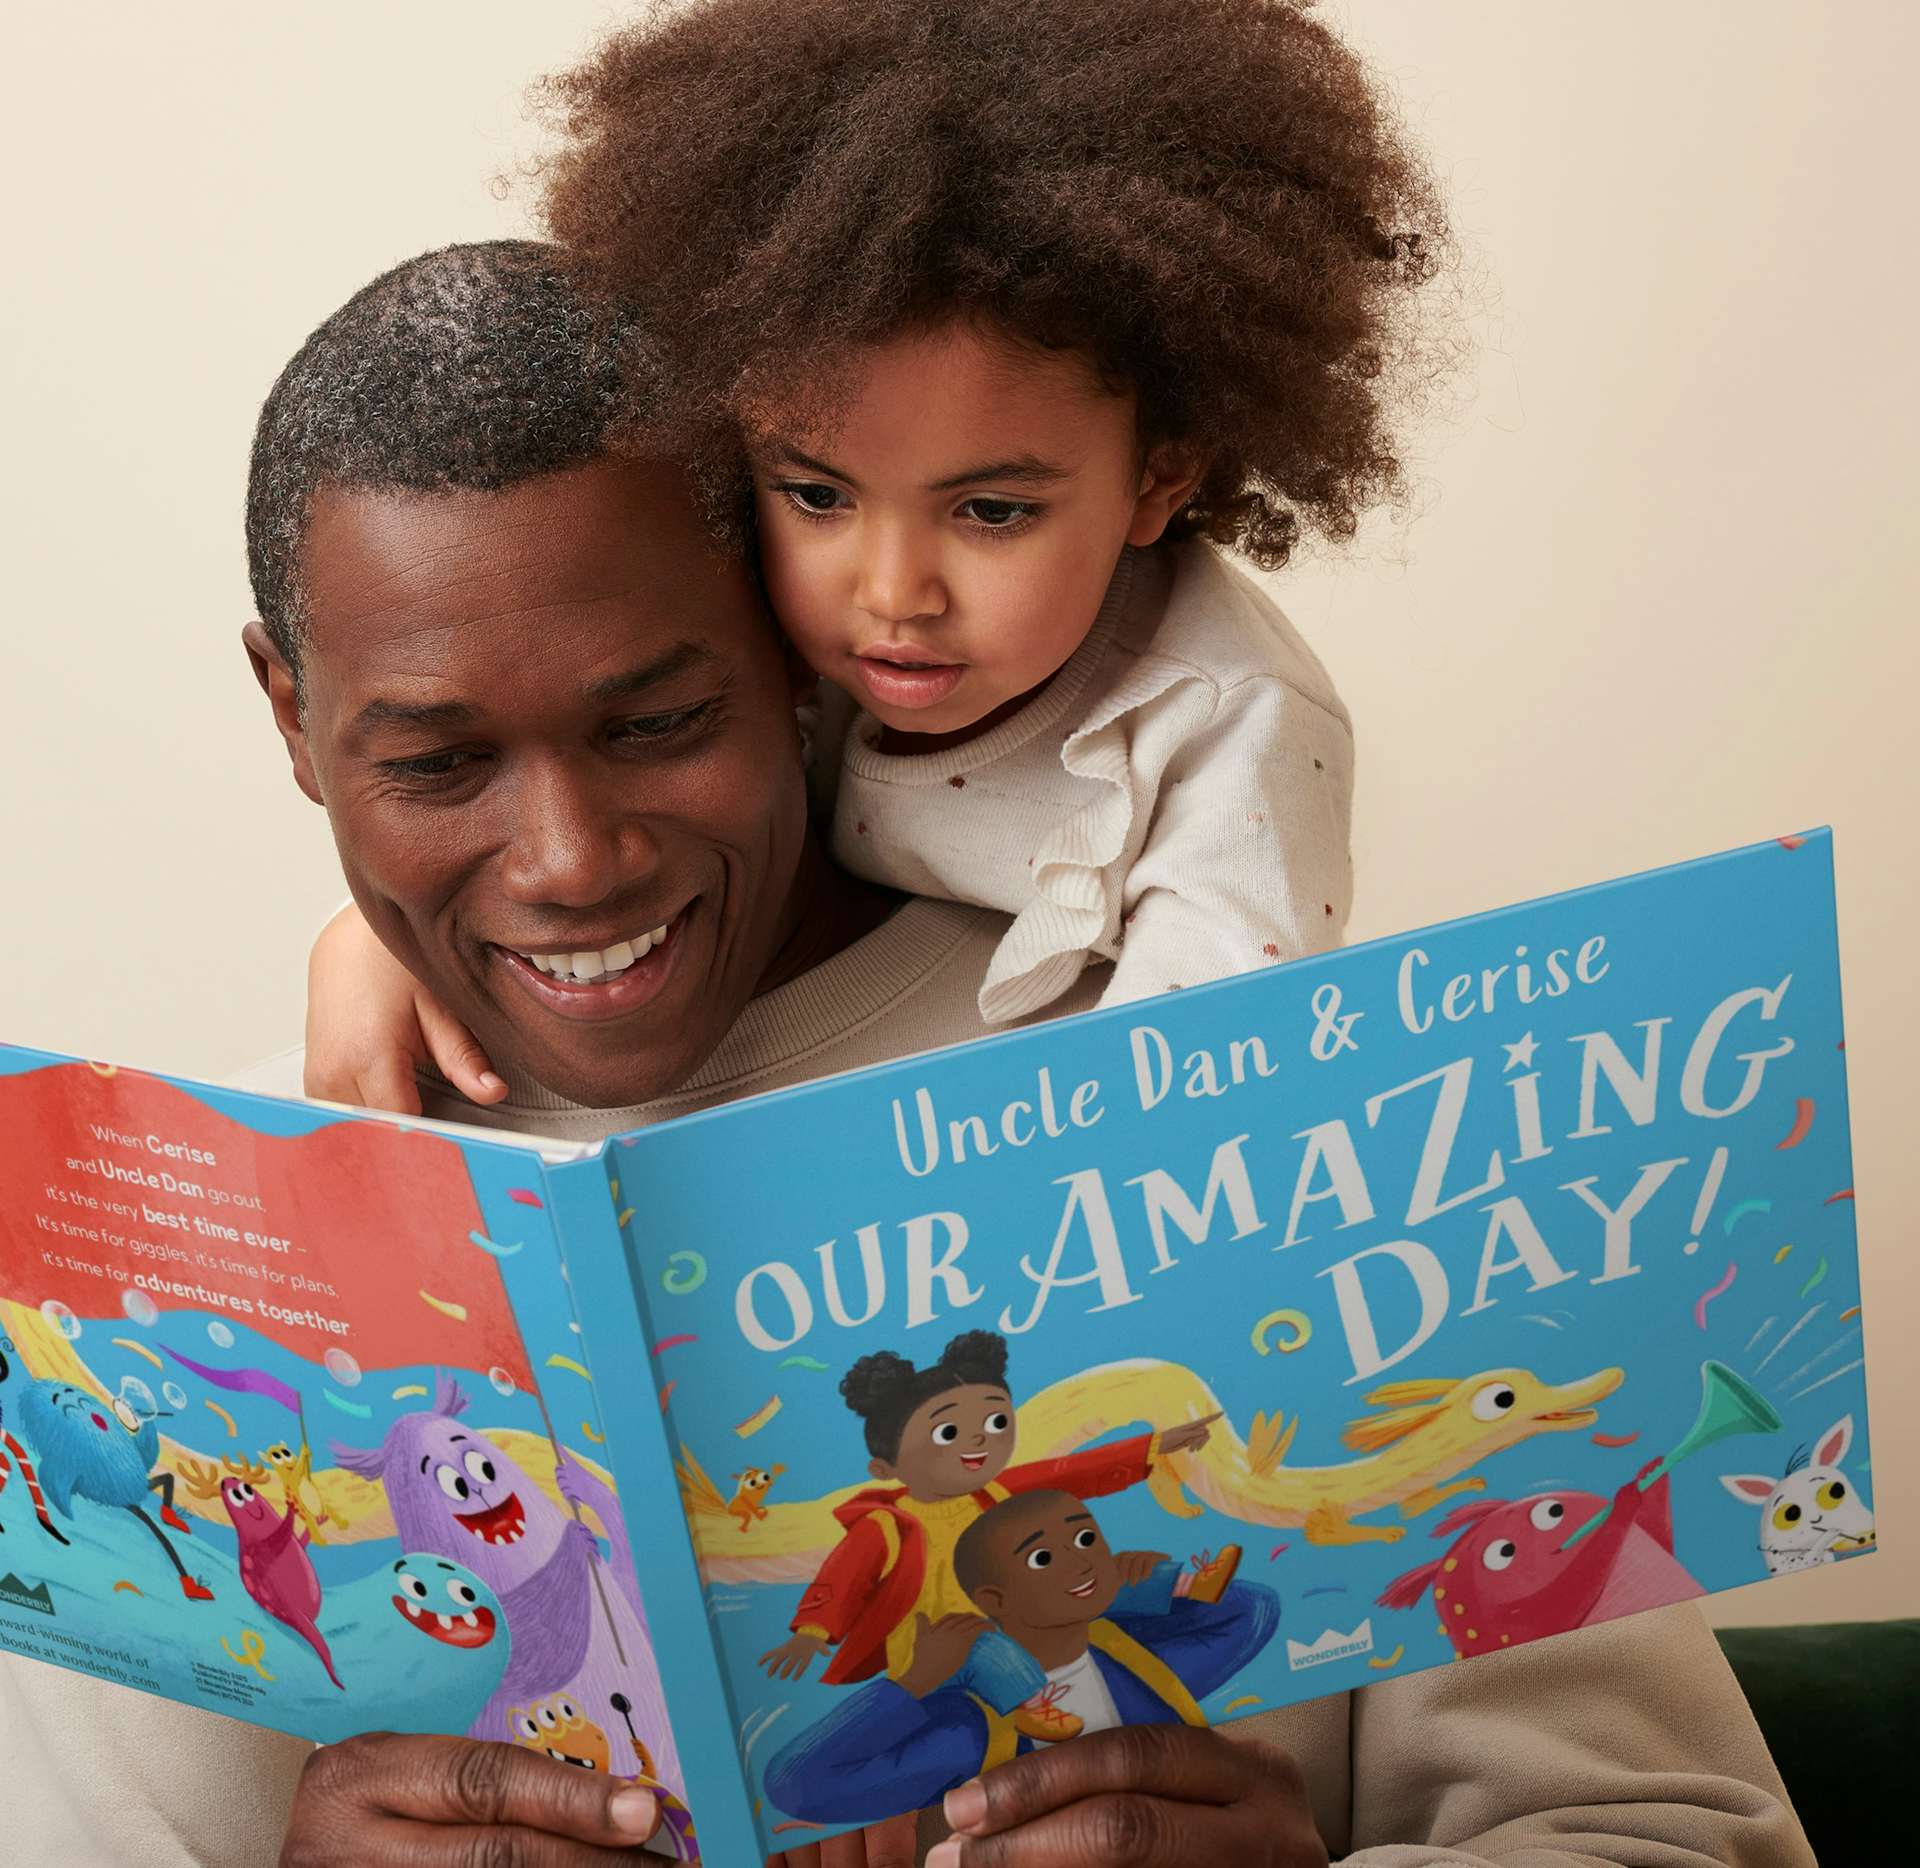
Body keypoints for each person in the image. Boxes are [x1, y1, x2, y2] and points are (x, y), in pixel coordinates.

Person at [1, 243, 1812, 1868]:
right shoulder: (157, 1286)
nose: (569, 861)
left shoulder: (1268, 1079)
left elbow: (1680, 1832)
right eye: (434, 762)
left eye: (663, 719)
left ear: (802, 657)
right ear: (290, 714)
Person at [300, 0, 1453, 1108]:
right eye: (818, 493)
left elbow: (1199, 1093)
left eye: (993, 512)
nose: (890, 595)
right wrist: (372, 941)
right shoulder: (782, 598)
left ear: (1160, 474)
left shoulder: (1230, 726)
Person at [758, 1331, 1231, 1745]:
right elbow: (844, 1577)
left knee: (1086, 1576)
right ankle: (1031, 1703)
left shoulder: (997, 1491)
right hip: (942, 1641)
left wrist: (1153, 1446)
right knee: (987, 1648)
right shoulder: (886, 1524)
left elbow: (1071, 1473)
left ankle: (1186, 1585)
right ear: (885, 1469)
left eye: (996, 1422)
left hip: (1013, 1608)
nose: (979, 1442)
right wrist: (812, 1633)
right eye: (948, 1431)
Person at [763, 1490, 1278, 1826]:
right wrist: (914, 1683)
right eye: (1042, 1557)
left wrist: (1139, 1590)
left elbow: (1254, 1610)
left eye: (1085, 1538)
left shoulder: (1147, 1667)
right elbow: (797, 1784)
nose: (1079, 1559)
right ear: (995, 1599)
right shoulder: (969, 1730)